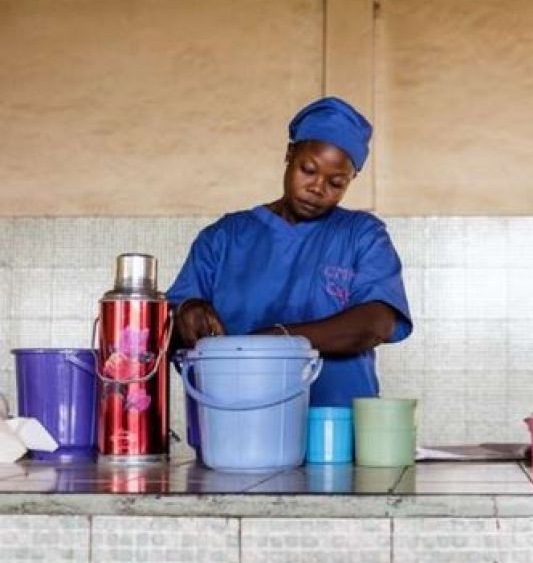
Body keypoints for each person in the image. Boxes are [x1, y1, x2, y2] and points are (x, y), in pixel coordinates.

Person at [167, 96, 413, 407]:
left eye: (336, 183)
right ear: (289, 154)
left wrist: (279, 340)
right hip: (237, 426)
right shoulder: (224, 237)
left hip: (334, 433)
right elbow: (167, 330)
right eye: (308, 170)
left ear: (351, 180)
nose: (317, 188)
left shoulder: (361, 234)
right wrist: (187, 310)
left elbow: (376, 322)